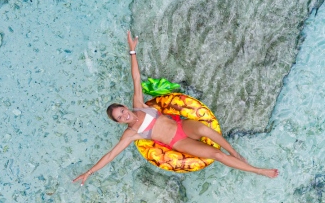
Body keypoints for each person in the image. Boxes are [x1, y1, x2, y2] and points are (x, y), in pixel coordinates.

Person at [74, 31, 279, 185]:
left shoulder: (139, 104)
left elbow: (135, 76)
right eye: (120, 118)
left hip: (183, 125)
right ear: (120, 122)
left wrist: (132, 49)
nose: (124, 115)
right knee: (217, 155)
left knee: (205, 130)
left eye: (122, 111)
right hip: (177, 142)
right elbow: (110, 155)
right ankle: (259, 171)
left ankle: (236, 154)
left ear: (125, 106)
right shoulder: (131, 134)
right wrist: (89, 172)